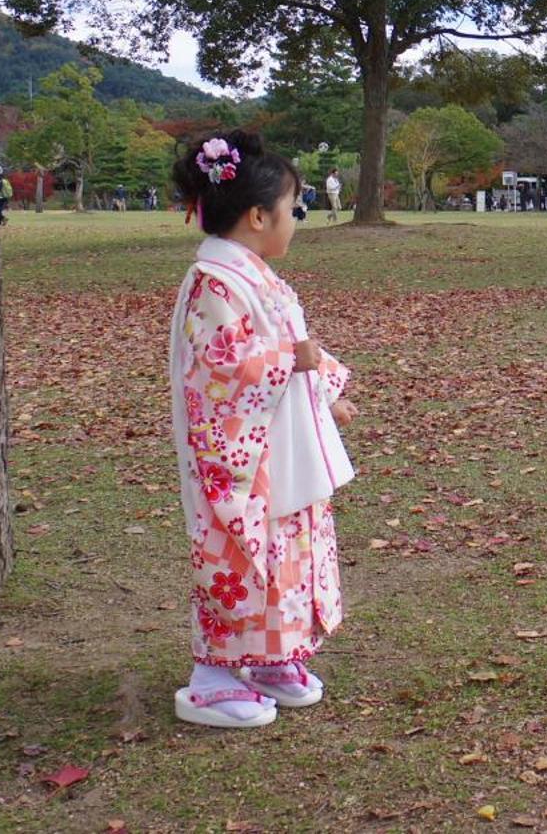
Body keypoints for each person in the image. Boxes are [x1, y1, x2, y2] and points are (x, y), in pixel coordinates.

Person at [166, 130, 357, 730]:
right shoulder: (214, 283)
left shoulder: (251, 276)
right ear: (256, 216)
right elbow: (223, 369)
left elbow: (288, 349)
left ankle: (274, 656)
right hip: (241, 458)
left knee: (285, 553)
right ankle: (212, 676)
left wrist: (320, 395)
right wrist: (292, 366)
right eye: (292, 209)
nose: (295, 221)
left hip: (277, 449)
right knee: (241, 555)